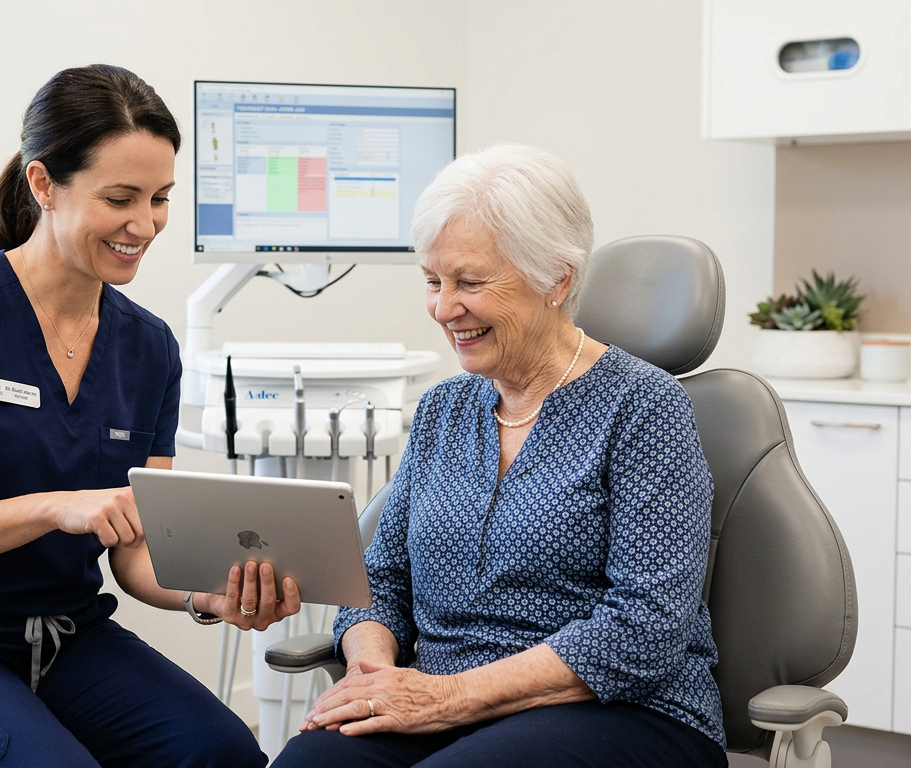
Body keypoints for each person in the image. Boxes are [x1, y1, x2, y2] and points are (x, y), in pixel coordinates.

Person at [0, 65, 296, 768]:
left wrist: (209, 595)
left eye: (161, 198)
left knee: (223, 754)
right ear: (43, 184)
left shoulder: (148, 347)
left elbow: (138, 546)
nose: (145, 224)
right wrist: (54, 508)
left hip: (67, 638)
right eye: (120, 198)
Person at [273, 143, 727, 768]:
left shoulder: (644, 407)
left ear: (556, 280)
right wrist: (374, 669)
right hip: (435, 701)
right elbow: (378, 576)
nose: (443, 307)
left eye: (470, 283)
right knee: (310, 764)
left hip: (617, 710)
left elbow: (645, 628)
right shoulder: (444, 410)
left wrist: (450, 697)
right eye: (433, 282)